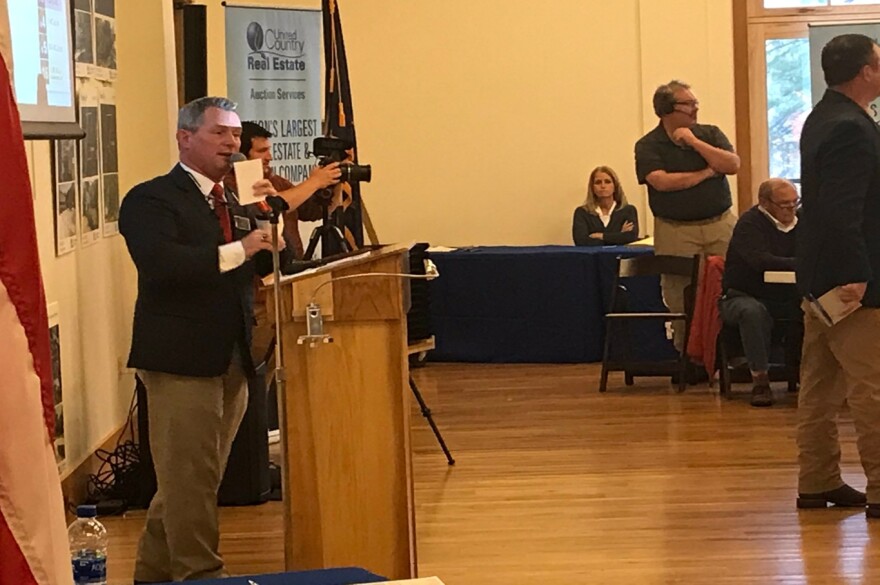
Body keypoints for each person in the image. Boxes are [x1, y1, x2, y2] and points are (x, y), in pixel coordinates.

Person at [118, 96, 280, 581]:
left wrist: (268, 219)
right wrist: (241, 247)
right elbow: (163, 265)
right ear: (185, 137)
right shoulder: (152, 199)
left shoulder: (235, 198)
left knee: (192, 480)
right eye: (219, 133)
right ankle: (200, 575)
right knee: (188, 480)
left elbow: (271, 264)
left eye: (235, 134)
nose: (232, 143)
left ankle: (152, 575)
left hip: (233, 356)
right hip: (179, 358)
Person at [795, 33, 880, 516]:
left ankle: (818, 480)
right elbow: (842, 210)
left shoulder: (823, 115)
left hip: (819, 276)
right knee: (872, 387)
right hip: (852, 283)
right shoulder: (850, 126)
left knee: (820, 386)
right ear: (864, 72)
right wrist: (856, 275)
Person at [634, 80, 740, 350]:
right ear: (667, 109)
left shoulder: (710, 133)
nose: (695, 109)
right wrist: (706, 173)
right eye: (688, 104)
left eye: (695, 103)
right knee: (679, 293)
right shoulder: (648, 145)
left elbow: (731, 164)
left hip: (720, 223)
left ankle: (731, 354)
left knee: (734, 286)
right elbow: (661, 182)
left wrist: (695, 142)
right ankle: (687, 358)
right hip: (675, 229)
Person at [720, 178, 802, 407]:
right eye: (784, 204)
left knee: (818, 309)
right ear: (764, 202)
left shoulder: (803, 221)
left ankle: (809, 376)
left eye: (795, 202)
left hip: (789, 294)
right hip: (743, 295)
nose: (791, 209)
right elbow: (760, 260)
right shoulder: (749, 223)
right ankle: (760, 380)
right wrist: (802, 263)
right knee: (753, 312)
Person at [225, 121, 341, 259]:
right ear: (241, 156)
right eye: (262, 151)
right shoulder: (229, 185)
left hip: (293, 269)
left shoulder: (276, 181)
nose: (269, 157)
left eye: (269, 150)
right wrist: (315, 181)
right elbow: (274, 206)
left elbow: (315, 211)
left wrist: (337, 177)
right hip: (262, 271)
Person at [572, 166, 639, 246]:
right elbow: (581, 241)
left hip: (621, 258)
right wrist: (618, 235)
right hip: (592, 258)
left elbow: (630, 237)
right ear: (592, 188)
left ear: (615, 186)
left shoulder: (628, 210)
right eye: (598, 182)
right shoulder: (582, 212)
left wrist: (601, 236)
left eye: (607, 182)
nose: (603, 186)